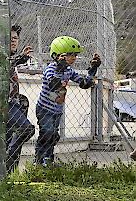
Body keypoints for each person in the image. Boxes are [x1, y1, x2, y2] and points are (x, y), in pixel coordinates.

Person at [35, 35, 102, 166]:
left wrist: (93, 69)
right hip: (45, 109)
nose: (73, 58)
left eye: (75, 55)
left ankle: (48, 161)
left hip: (57, 110)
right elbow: (53, 84)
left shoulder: (69, 71)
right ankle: (39, 161)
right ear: (57, 55)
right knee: (47, 133)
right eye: (70, 54)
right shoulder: (50, 69)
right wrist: (60, 68)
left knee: (53, 136)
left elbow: (83, 84)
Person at [6, 25, 35, 173]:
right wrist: (21, 58)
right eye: (10, 39)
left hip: (15, 103)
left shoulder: (12, 60)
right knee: (26, 129)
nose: (13, 42)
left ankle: (8, 170)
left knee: (8, 139)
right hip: (5, 105)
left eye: (16, 39)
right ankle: (9, 158)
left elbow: (12, 62)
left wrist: (21, 59)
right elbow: (7, 62)